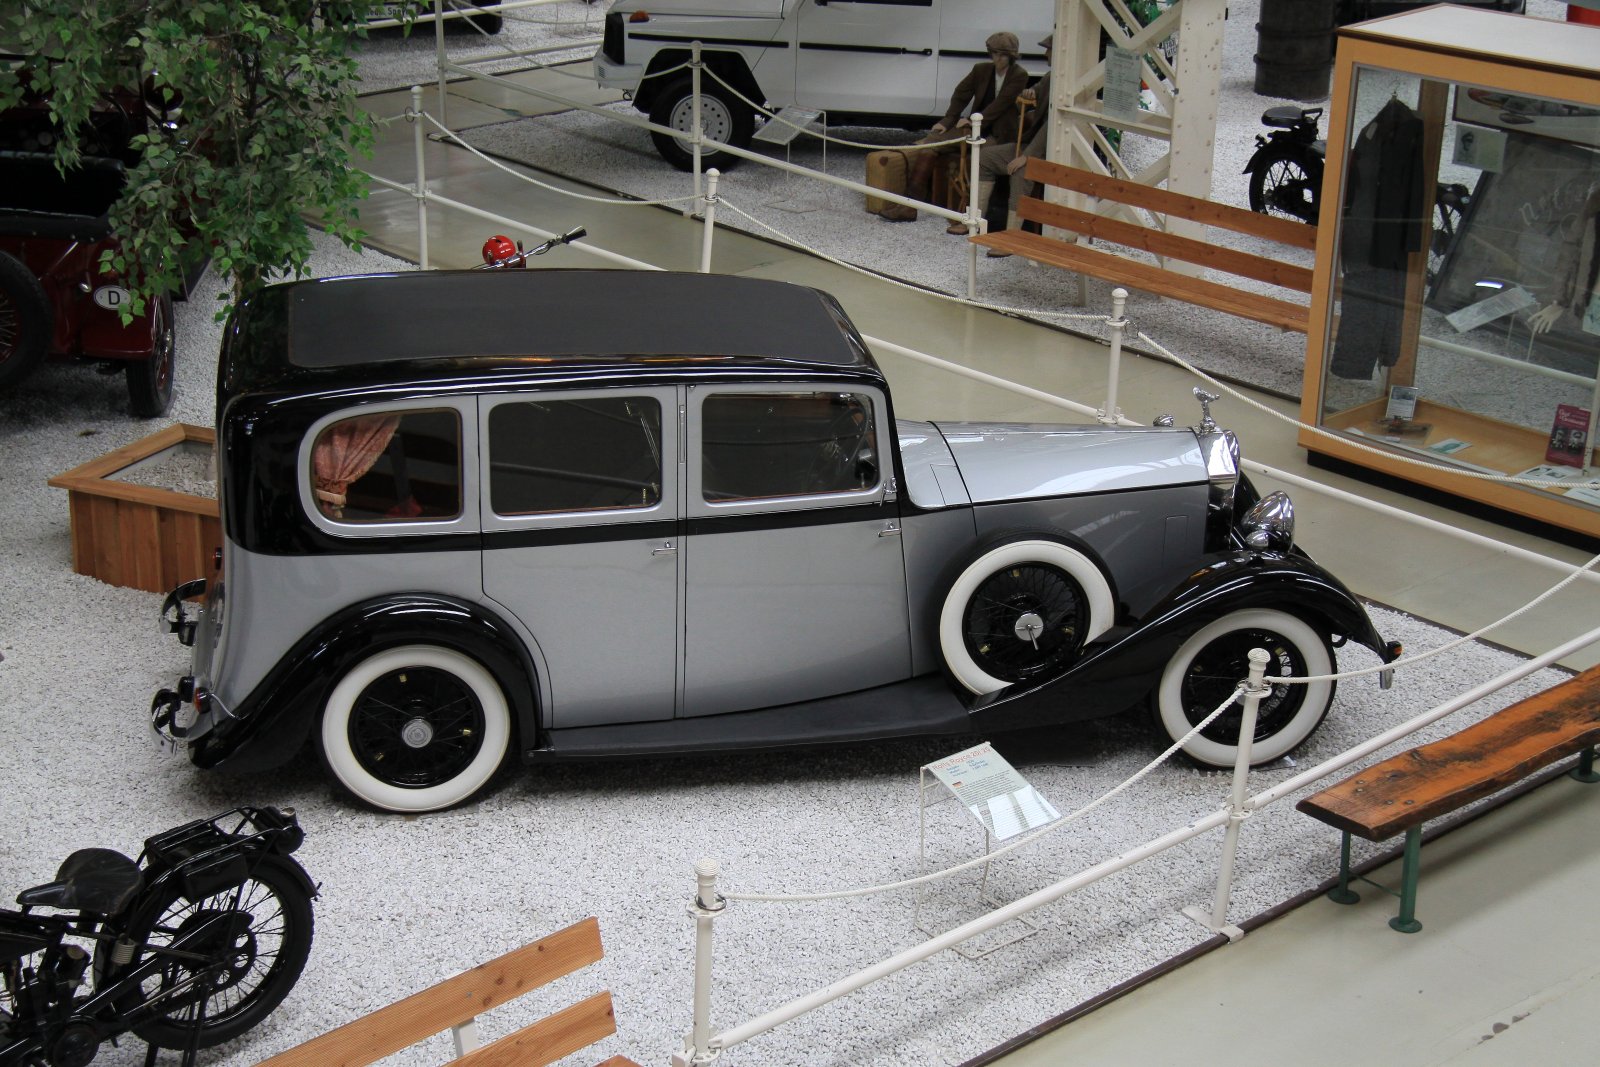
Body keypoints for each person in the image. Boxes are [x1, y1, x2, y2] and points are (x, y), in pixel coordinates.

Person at [903, 31, 1028, 234]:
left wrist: (974, 121)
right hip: (973, 126)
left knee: (981, 159)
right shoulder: (981, 70)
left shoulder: (1019, 75)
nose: (998, 59)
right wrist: (948, 120)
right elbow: (961, 94)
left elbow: (1001, 104)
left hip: (998, 132)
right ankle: (908, 205)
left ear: (1011, 56)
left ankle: (971, 217)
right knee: (932, 144)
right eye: (994, 53)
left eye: (1003, 55)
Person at [977, 34, 1053, 256]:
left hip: (1049, 151)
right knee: (985, 157)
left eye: (1049, 49)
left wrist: (1027, 156)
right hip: (1030, 144)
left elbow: (1051, 126)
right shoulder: (1051, 76)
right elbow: (1028, 98)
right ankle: (977, 222)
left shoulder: (1068, 82)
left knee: (1021, 171)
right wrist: (1029, 93)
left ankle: (1011, 238)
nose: (1046, 53)